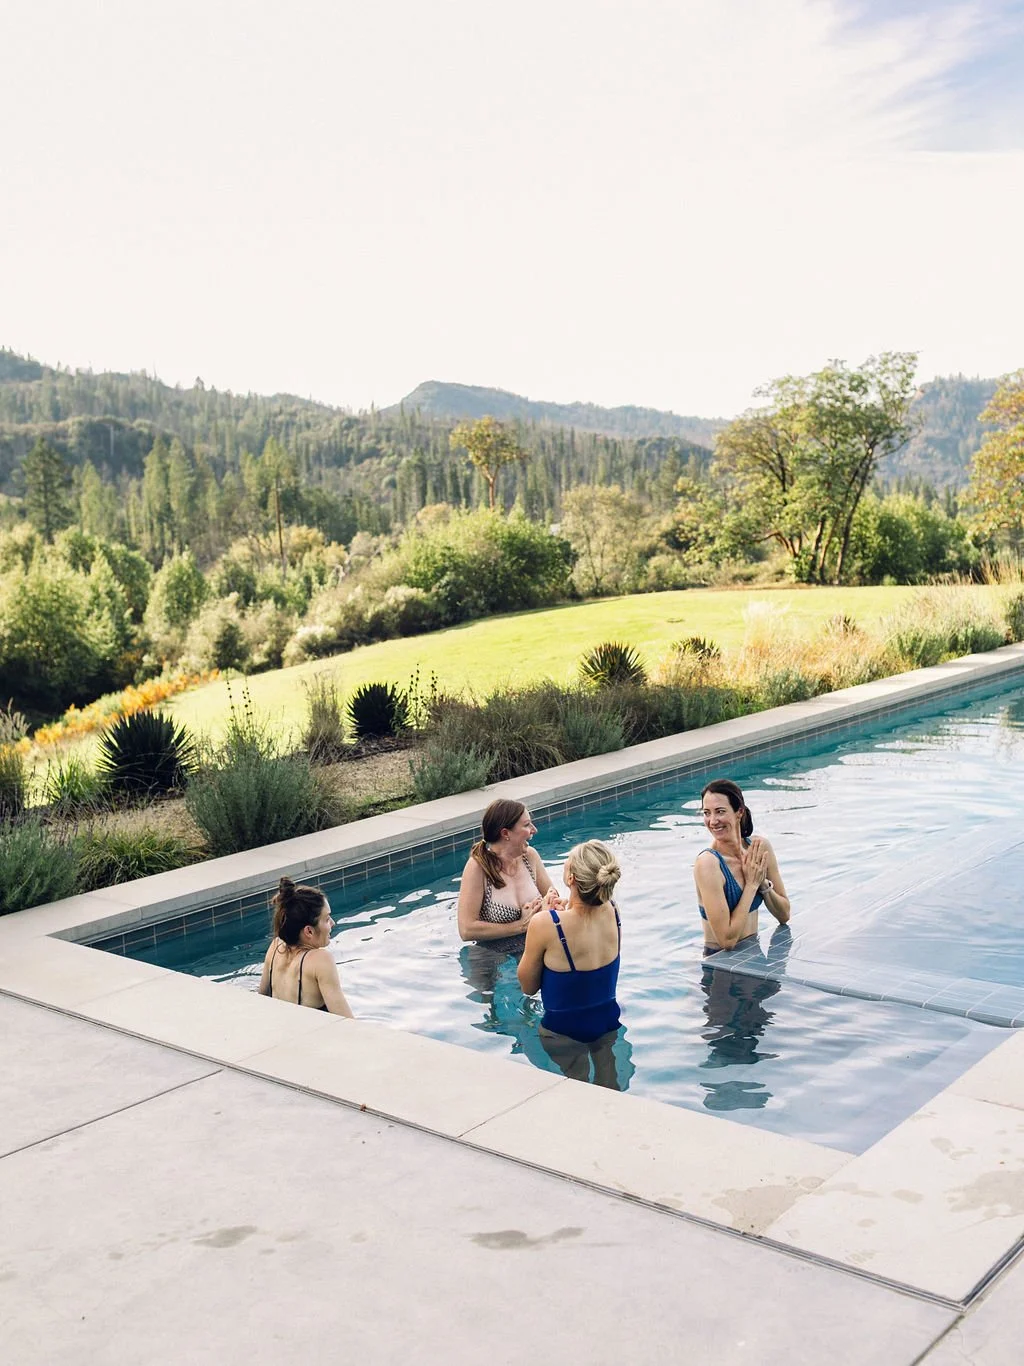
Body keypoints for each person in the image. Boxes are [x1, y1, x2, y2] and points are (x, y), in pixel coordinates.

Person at [517, 839, 626, 1087]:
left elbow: (528, 986)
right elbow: (586, 921)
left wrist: (540, 918)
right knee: (609, 1087)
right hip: (607, 1022)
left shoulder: (547, 924)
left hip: (563, 1032)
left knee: (576, 1092)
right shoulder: (614, 911)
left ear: (571, 879)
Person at [694, 778, 791, 954]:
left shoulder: (759, 848)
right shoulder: (708, 864)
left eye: (720, 811)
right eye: (707, 813)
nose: (713, 821)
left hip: (754, 955)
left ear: (739, 812)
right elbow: (727, 940)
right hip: (721, 966)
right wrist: (752, 885)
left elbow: (784, 915)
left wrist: (762, 884)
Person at [457, 798, 558, 944]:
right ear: (505, 833)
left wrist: (549, 906)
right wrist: (519, 926)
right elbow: (466, 930)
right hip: (491, 954)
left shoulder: (530, 856)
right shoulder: (478, 867)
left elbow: (553, 897)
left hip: (535, 944)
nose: (534, 830)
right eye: (527, 825)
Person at [258, 876, 354, 1016]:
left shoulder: (275, 946)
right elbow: (347, 1022)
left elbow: (261, 998)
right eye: (327, 919)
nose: (333, 923)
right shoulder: (320, 960)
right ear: (309, 931)